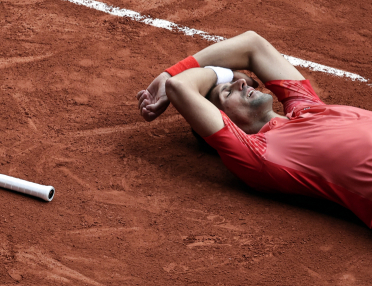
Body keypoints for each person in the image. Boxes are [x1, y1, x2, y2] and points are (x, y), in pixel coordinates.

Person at [136, 31, 372, 228]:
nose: (241, 83)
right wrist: (221, 73)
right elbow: (179, 86)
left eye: (239, 82)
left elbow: (252, 44)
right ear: (223, 120)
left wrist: (168, 72)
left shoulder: (306, 106)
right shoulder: (260, 154)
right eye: (227, 92)